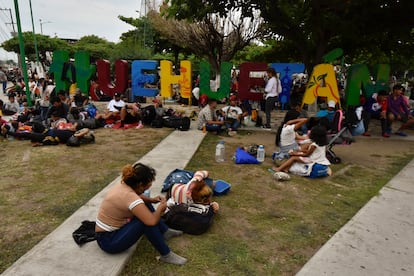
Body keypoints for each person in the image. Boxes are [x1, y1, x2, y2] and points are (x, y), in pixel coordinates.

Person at [95, 163, 187, 265]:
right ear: (139, 185)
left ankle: (165, 231)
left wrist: (151, 200)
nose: (145, 190)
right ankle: (166, 255)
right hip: (108, 241)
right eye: (145, 188)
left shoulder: (124, 185)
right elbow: (151, 221)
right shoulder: (129, 196)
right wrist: (160, 209)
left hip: (108, 234)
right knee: (145, 223)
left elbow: (137, 197)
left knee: (144, 205)